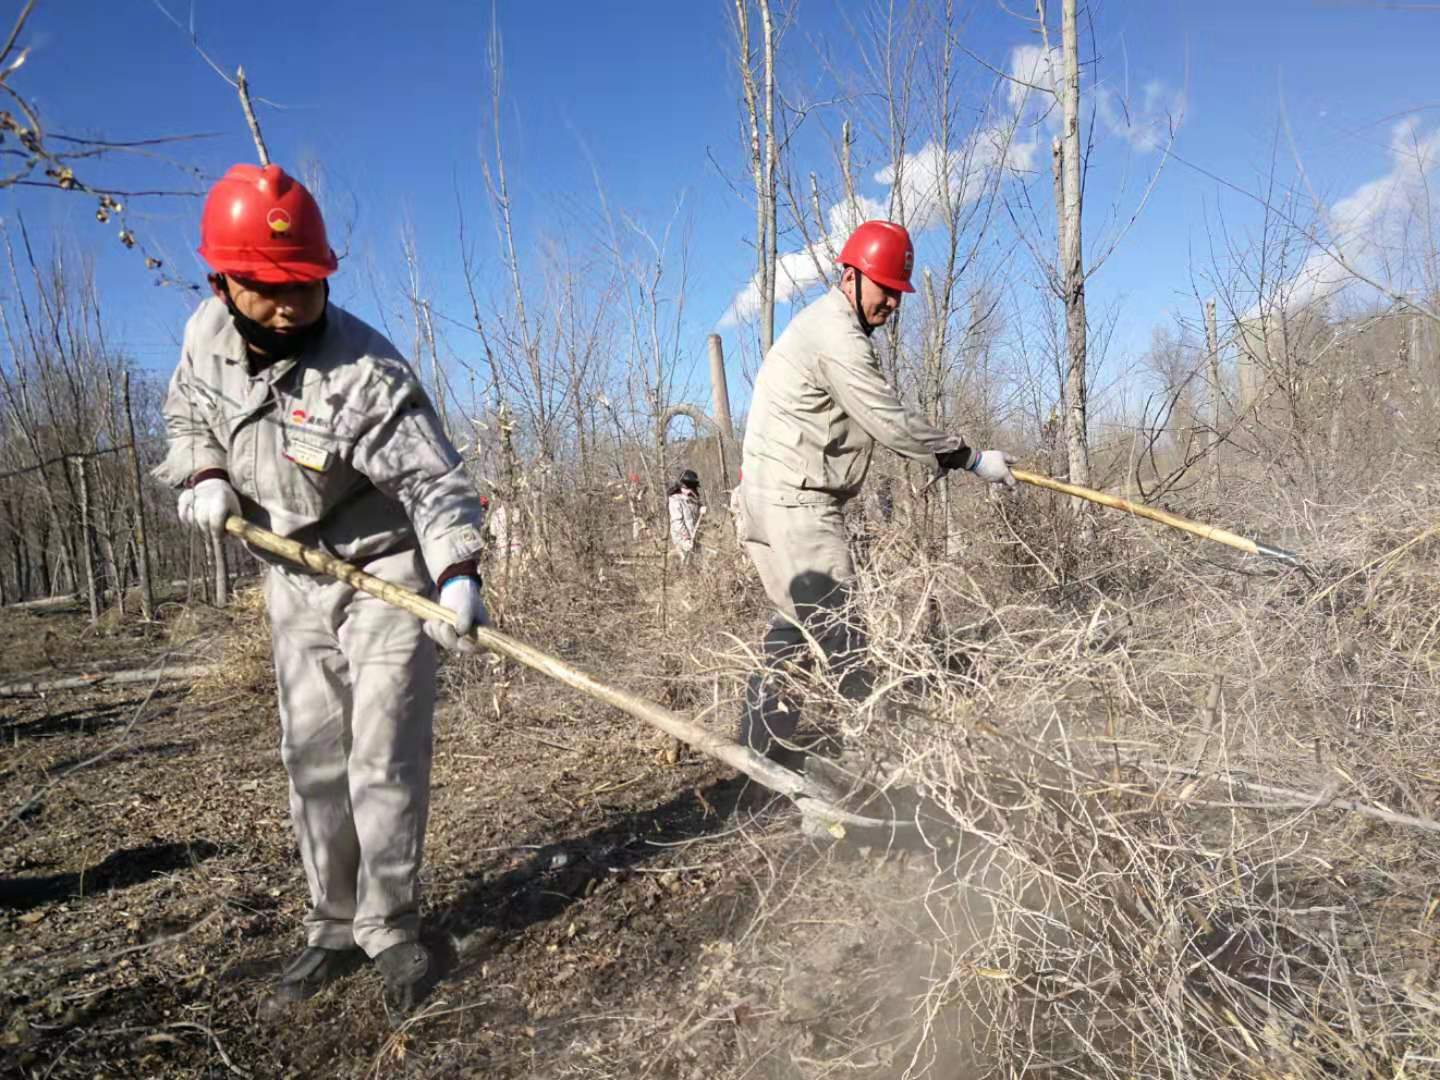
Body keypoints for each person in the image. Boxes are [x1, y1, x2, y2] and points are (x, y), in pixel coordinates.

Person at [155, 163, 489, 1015]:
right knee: (311, 755)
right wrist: (204, 472)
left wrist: (457, 573)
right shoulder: (204, 339)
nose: (289, 305)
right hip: (292, 572)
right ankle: (332, 925)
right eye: (267, 289)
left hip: (384, 569)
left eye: (304, 284)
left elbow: (434, 482)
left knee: (383, 751)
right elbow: (187, 415)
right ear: (222, 283)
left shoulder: (366, 371)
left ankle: (390, 925)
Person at [737, 219, 1016, 768]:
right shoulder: (837, 335)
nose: (892, 302)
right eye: (884, 288)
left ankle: (758, 757)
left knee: (796, 630)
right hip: (797, 506)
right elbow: (888, 420)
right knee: (845, 640)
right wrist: (970, 457)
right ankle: (879, 771)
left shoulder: (824, 327)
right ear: (850, 277)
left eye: (897, 292)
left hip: (767, 502)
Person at [667, 469, 704, 563]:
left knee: (698, 562)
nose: (689, 490)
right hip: (682, 539)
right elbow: (677, 522)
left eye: (691, 488)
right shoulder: (675, 500)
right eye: (686, 487)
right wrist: (686, 538)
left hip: (695, 537)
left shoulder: (694, 500)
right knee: (685, 563)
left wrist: (702, 511)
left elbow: (699, 519)